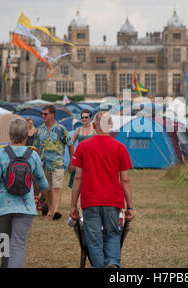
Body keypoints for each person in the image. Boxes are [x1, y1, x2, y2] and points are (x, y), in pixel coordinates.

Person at [70, 111, 134, 268]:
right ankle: (112, 263)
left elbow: (78, 178)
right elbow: (125, 179)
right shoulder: (120, 148)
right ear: (110, 125)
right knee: (112, 234)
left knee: (94, 238)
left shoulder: (83, 146)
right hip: (113, 200)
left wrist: (73, 205)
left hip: (90, 200)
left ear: (93, 125)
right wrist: (130, 206)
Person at [0, 118, 48, 268]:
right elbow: (43, 183)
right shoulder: (32, 155)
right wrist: (43, 198)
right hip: (25, 206)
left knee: (4, 242)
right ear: (27, 135)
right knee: (18, 245)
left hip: (0, 207)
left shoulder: (0, 153)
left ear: (9, 134)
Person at [33, 105, 74, 220]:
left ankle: (56, 210)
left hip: (57, 164)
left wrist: (72, 161)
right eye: (42, 114)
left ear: (52, 115)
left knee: (57, 187)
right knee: (48, 189)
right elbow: (36, 147)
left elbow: (70, 145)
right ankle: (50, 209)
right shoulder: (39, 130)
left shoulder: (61, 129)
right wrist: (36, 163)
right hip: (44, 164)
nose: (43, 116)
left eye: (45, 114)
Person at [68, 109, 95, 189]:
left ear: (90, 118)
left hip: (91, 158)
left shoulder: (95, 130)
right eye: (82, 117)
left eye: (86, 117)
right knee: (77, 182)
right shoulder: (78, 130)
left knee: (89, 183)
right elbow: (70, 143)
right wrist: (74, 152)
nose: (84, 119)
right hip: (79, 158)